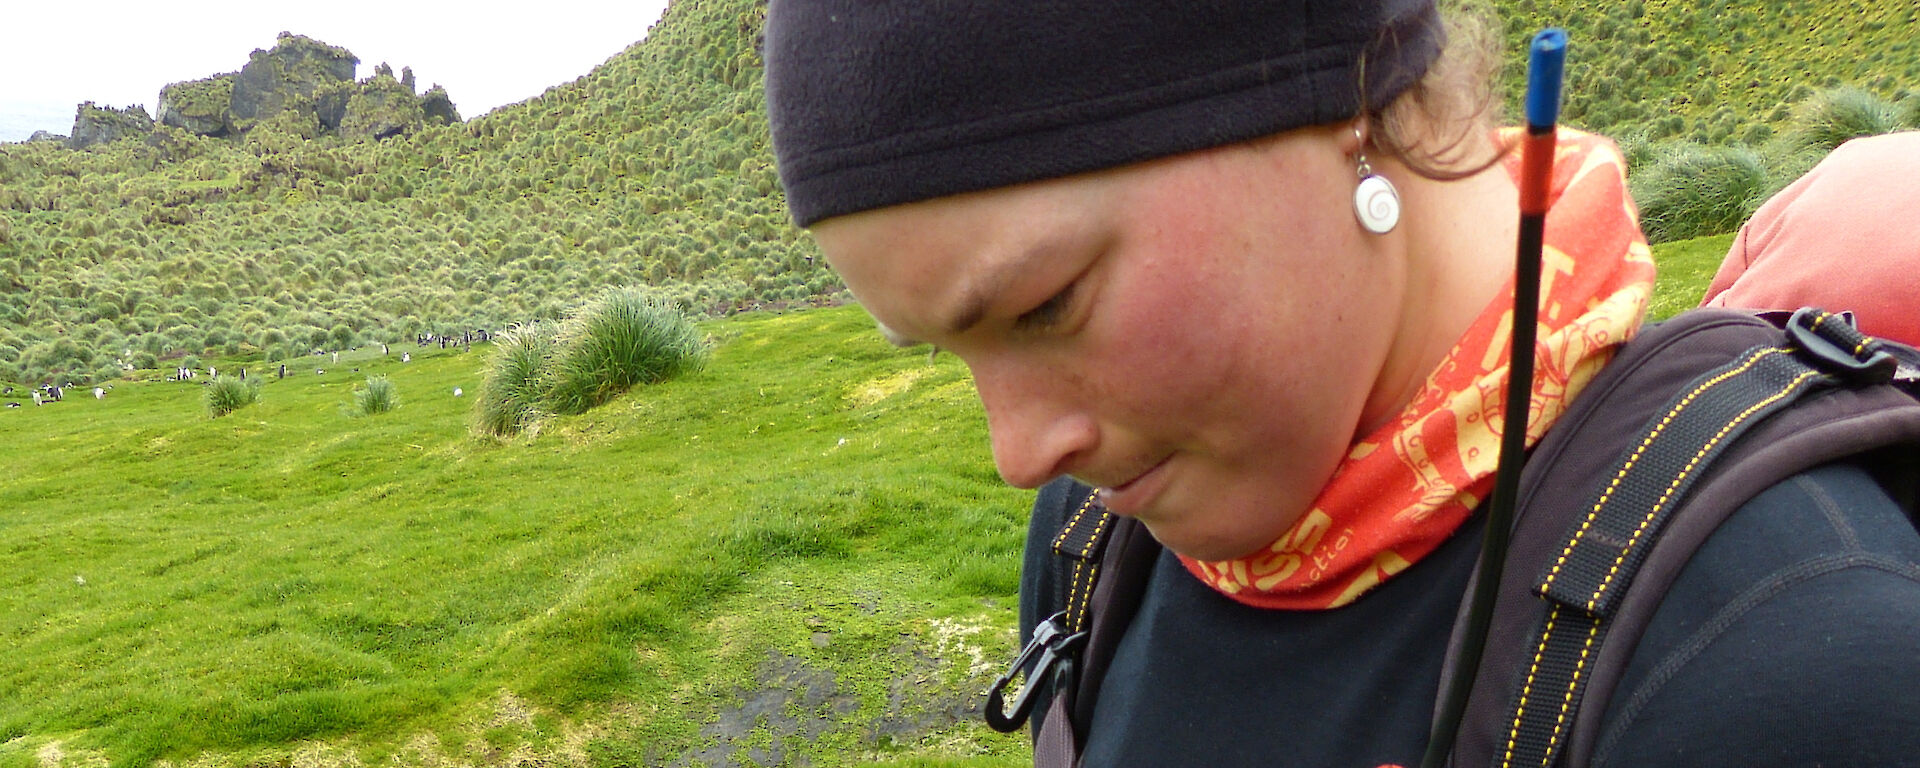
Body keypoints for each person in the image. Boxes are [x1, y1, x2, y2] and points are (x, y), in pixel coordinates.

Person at [762, 1, 1920, 766]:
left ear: (1339, 107)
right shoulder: (1095, 547)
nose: (1019, 453)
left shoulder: (1797, 660)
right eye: (948, 352)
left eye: (1044, 306)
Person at [1701, 130, 1920, 347]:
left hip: (1738, 347)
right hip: (1760, 341)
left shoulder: (1860, 152)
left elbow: (1703, 329)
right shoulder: (1861, 154)